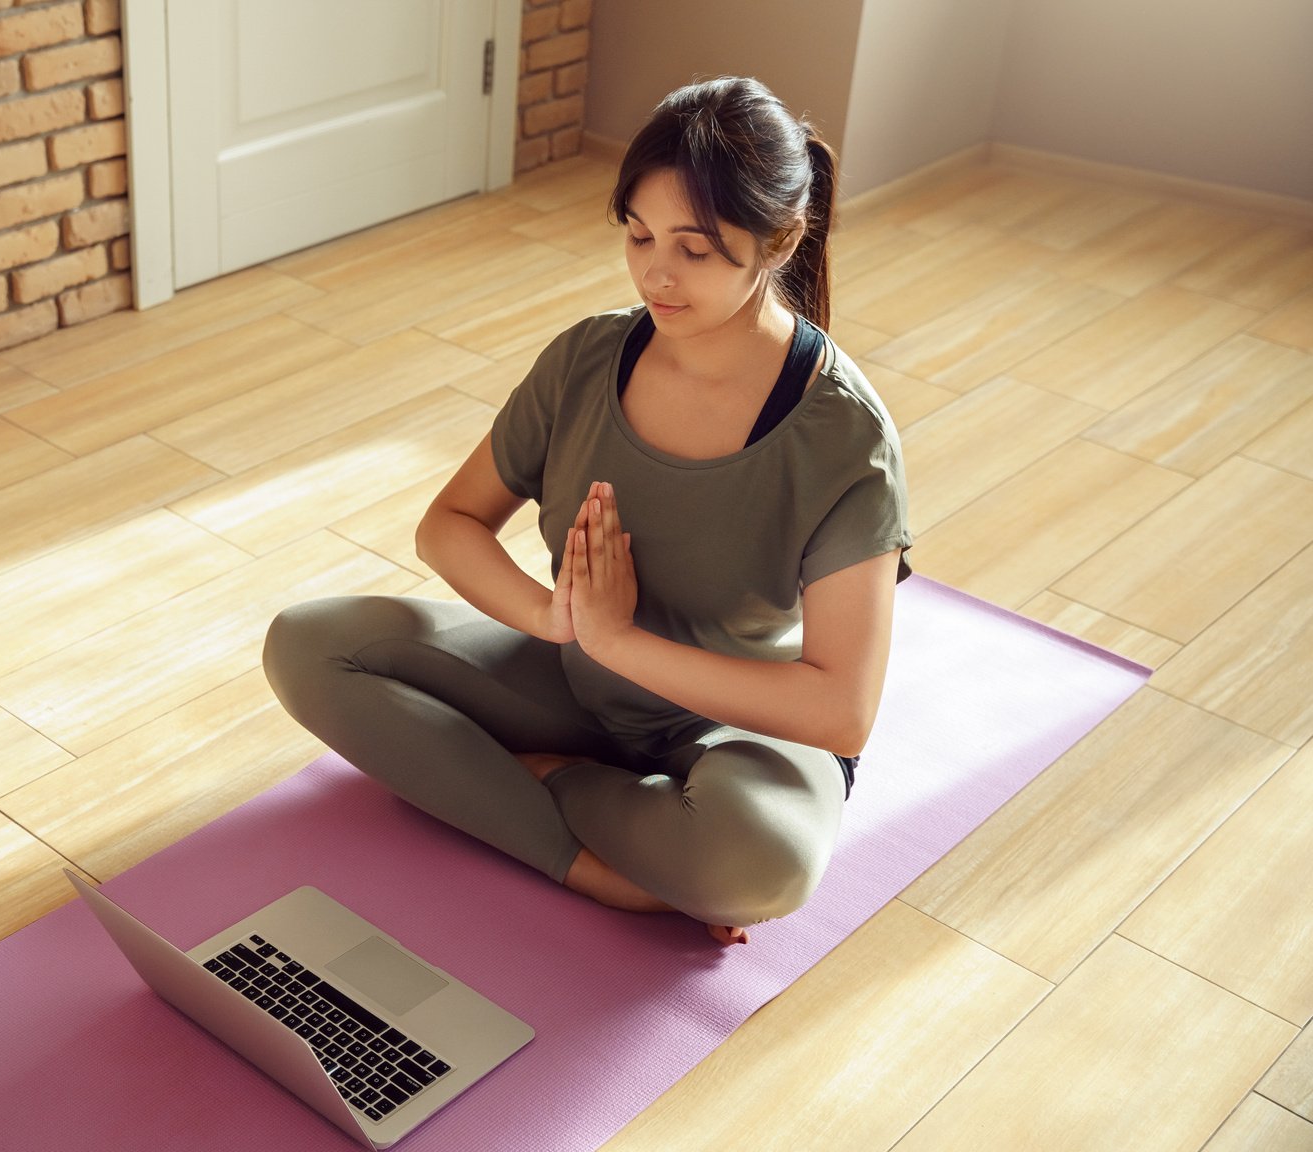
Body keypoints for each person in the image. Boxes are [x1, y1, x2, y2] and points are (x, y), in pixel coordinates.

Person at [263, 76, 913, 945]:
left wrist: (623, 643)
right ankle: (599, 866)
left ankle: (552, 783)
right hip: (576, 682)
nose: (656, 271)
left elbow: (841, 712)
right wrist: (554, 617)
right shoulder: (587, 358)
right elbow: (448, 523)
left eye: (696, 247)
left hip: (735, 729)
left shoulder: (844, 437)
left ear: (778, 240)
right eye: (639, 235)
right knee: (307, 645)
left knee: (760, 865)